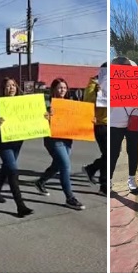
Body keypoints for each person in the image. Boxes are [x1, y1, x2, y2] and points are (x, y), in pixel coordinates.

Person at [34, 78, 85, 210]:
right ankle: (70, 197)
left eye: (64, 87)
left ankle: (40, 182)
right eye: (60, 87)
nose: (62, 90)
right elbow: (37, 119)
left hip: (67, 138)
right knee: (65, 165)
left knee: (57, 165)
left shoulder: (70, 103)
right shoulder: (47, 103)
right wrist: (45, 116)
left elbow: (79, 119)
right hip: (53, 139)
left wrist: (90, 119)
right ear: (54, 89)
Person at [0, 77, 33, 217]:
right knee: (13, 170)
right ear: (3, 89)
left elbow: (32, 117)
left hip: (17, 141)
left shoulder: (22, 103)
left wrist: (43, 117)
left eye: (13, 85)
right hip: (4, 143)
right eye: (8, 86)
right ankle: (20, 206)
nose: (11, 88)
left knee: (7, 167)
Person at [109, 57, 138, 193]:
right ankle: (108, 181)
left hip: (135, 120)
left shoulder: (135, 72)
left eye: (127, 67)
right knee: (113, 153)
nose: (126, 69)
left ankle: (131, 179)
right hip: (115, 123)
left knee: (132, 150)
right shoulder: (108, 78)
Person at [82, 63, 108, 197]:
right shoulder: (94, 83)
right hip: (100, 124)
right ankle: (103, 184)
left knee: (108, 155)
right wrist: (98, 93)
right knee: (108, 154)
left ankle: (92, 169)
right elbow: (87, 103)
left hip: (112, 123)